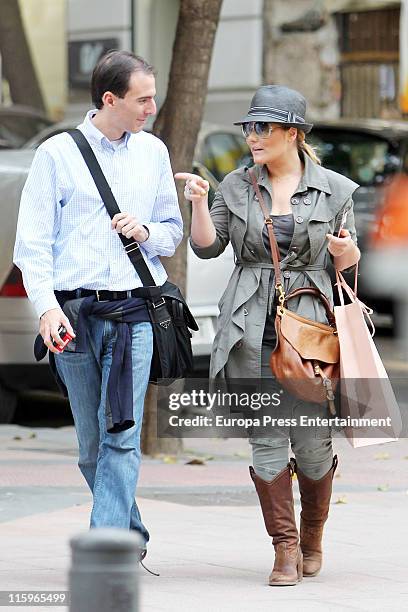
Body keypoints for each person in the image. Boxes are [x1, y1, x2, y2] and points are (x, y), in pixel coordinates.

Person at [175, 85, 360, 586]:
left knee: (313, 444)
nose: (254, 137)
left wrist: (345, 252)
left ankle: (313, 533)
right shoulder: (236, 185)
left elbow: (348, 261)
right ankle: (284, 549)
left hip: (311, 327)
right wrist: (198, 202)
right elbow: (208, 247)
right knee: (266, 436)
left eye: (264, 128)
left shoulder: (334, 190)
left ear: (293, 134)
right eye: (250, 128)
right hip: (249, 325)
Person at [14, 50, 183, 561]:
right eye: (143, 99)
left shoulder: (153, 152)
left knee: (121, 440)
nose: (152, 108)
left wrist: (146, 231)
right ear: (109, 100)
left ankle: (104, 551)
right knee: (91, 448)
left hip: (134, 315)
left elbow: (172, 236)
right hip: (73, 319)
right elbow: (32, 246)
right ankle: (130, 533)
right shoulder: (56, 155)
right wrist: (46, 309)